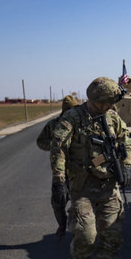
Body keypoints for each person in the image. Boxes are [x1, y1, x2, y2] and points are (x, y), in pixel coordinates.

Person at [50, 77, 131, 259]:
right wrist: (59, 181)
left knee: (112, 239)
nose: (110, 106)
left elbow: (125, 141)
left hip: (108, 188)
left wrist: (127, 165)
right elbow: (58, 150)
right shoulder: (73, 119)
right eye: (107, 102)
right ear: (97, 100)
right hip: (83, 188)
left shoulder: (112, 117)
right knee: (87, 236)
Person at [37, 94, 81, 239]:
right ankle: (62, 225)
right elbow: (40, 142)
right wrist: (57, 146)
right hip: (61, 171)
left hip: (80, 171)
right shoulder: (53, 125)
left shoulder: (82, 124)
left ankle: (79, 230)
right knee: (58, 202)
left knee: (80, 203)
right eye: (70, 110)